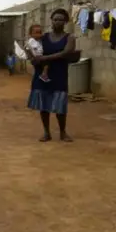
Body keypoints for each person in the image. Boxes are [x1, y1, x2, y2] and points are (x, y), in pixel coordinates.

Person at [27, 8, 76, 142]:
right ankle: (46, 132)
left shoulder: (69, 38)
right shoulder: (44, 37)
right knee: (44, 105)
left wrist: (44, 59)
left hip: (59, 74)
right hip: (43, 74)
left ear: (65, 22)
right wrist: (31, 57)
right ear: (51, 21)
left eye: (61, 19)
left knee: (60, 106)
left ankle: (62, 132)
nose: (58, 22)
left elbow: (65, 53)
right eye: (55, 19)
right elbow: (31, 47)